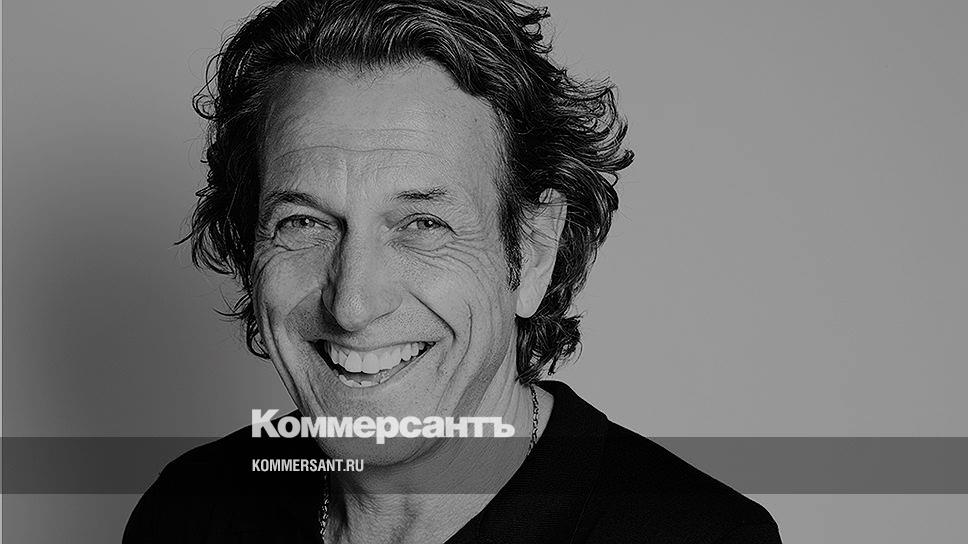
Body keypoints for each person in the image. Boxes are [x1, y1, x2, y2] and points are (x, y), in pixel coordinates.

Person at [124, 0, 781, 542]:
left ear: (534, 249)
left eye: (422, 224)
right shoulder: (188, 513)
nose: (353, 303)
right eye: (303, 223)